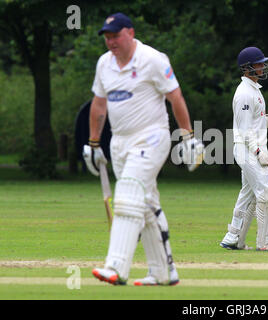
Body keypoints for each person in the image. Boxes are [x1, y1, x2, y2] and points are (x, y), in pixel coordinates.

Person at [83, 13, 204, 286]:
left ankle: (116, 267)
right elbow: (99, 104)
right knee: (147, 204)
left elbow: (176, 97)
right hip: (119, 142)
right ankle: (163, 272)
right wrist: (92, 143)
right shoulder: (104, 64)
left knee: (128, 193)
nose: (110, 41)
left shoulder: (152, 59)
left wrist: (189, 138)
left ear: (130, 32)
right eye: (107, 36)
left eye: (115, 35)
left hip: (152, 137)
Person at [219, 47, 268, 252]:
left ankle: (233, 237)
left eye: (263, 63)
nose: (263, 67)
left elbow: (256, 122)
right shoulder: (245, 93)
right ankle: (265, 243)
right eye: (258, 64)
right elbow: (245, 130)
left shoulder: (254, 89)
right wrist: (258, 152)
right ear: (247, 68)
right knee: (267, 193)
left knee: (249, 195)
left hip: (252, 149)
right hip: (248, 150)